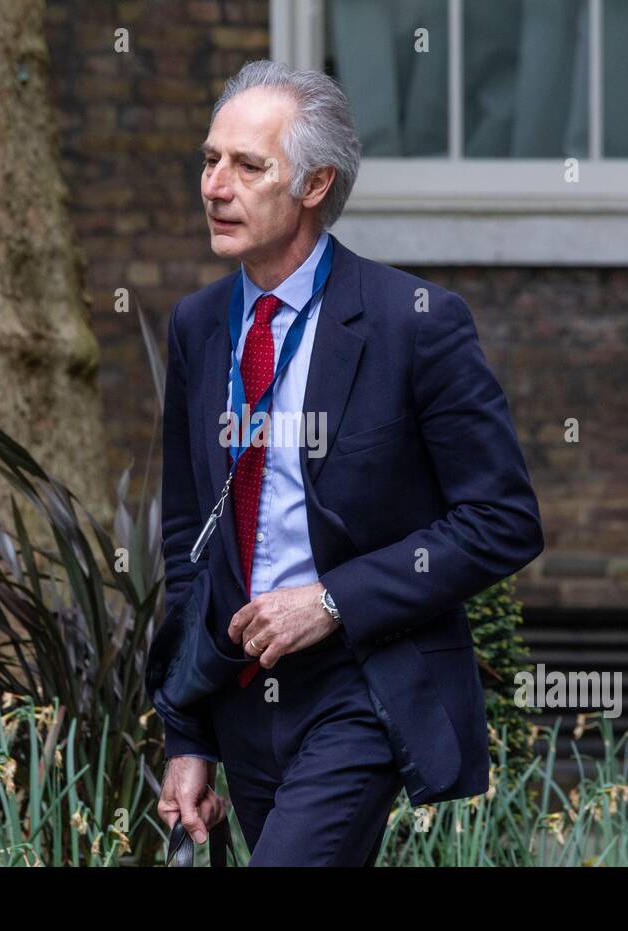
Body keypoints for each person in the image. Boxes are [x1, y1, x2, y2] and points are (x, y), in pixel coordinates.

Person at [149, 60, 544, 866]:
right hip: (240, 692)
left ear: (315, 184)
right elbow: (191, 539)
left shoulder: (415, 324)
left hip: (362, 684)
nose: (215, 186)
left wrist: (331, 602)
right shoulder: (198, 326)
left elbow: (504, 520)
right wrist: (187, 733)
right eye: (209, 159)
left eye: (249, 166)